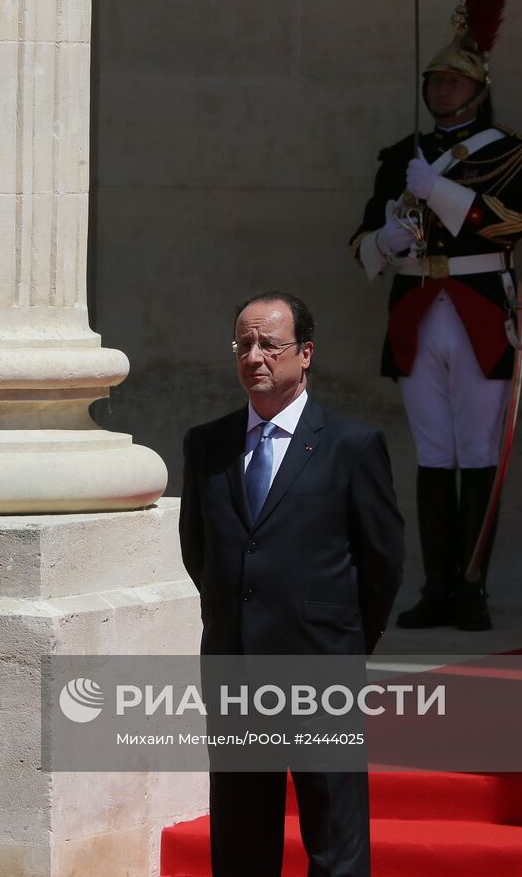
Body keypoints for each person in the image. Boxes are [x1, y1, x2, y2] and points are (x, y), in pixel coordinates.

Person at [179, 291, 404, 876]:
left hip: (320, 669)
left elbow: (382, 561)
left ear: (305, 354)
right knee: (241, 837)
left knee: (334, 839)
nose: (254, 356)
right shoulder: (207, 445)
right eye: (244, 344)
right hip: (235, 670)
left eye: (269, 344)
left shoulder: (352, 446)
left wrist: (344, 642)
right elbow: (200, 552)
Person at [349, 0, 522, 632]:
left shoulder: (511, 153)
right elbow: (359, 241)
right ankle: (435, 587)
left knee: (479, 448)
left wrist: (442, 194)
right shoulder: (401, 155)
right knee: (434, 451)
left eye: (453, 84)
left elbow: (514, 222)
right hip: (416, 308)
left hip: (480, 308)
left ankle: (472, 588)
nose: (441, 93)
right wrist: (386, 236)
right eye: (434, 83)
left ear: (478, 92)